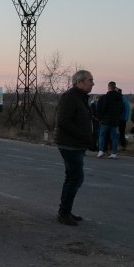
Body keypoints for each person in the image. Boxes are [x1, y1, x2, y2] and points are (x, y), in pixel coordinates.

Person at [54, 70, 94, 226]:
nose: (92, 83)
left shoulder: (81, 97)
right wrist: (83, 136)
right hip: (69, 145)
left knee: (73, 177)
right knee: (75, 178)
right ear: (80, 82)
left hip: (76, 144)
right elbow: (63, 121)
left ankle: (65, 211)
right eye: (90, 80)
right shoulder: (70, 97)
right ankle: (64, 213)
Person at [96, 81, 123, 159]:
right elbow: (121, 109)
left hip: (106, 120)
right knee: (114, 137)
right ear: (115, 87)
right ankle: (114, 153)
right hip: (115, 120)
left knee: (102, 135)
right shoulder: (119, 98)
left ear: (108, 87)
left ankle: (101, 151)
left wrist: (100, 117)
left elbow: (101, 108)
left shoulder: (105, 97)